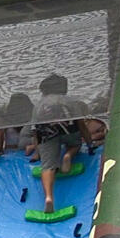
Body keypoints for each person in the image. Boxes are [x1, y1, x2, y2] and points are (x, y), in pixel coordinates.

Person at [26, 73, 85, 214]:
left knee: (47, 166)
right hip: (68, 129)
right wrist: (88, 142)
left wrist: (39, 151)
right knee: (75, 144)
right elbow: (80, 122)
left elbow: (35, 129)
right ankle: (68, 155)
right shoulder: (69, 101)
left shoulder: (39, 105)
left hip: (46, 133)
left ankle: (48, 197)